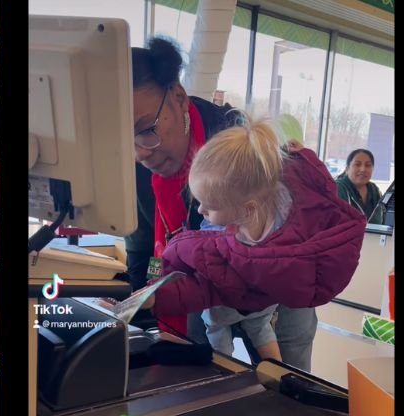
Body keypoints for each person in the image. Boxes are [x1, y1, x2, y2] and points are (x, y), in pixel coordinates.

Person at [125, 36, 320, 371]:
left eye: (146, 129)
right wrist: (131, 307)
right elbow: (141, 245)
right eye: (123, 136)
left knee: (289, 379)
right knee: (202, 371)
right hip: (203, 284)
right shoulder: (139, 163)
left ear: (178, 98)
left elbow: (290, 236)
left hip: (276, 280)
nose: (139, 152)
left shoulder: (234, 140)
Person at [146, 116, 365, 337]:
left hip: (255, 296)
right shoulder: (275, 187)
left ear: (246, 210)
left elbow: (207, 288)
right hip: (276, 292)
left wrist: (158, 298)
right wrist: (303, 157)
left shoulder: (250, 255)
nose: (200, 210)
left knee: (222, 327)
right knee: (262, 331)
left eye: (210, 206)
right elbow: (322, 185)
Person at [198, 220, 280, 363]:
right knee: (261, 327)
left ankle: (226, 372)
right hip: (264, 294)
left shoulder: (216, 223)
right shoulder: (269, 216)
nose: (201, 210)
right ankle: (281, 375)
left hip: (224, 299)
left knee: (216, 329)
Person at [335, 149, 385, 224]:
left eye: (368, 165)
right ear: (347, 168)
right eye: (357, 164)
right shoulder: (337, 188)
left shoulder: (375, 190)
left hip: (374, 235)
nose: (363, 169)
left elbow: (383, 220)